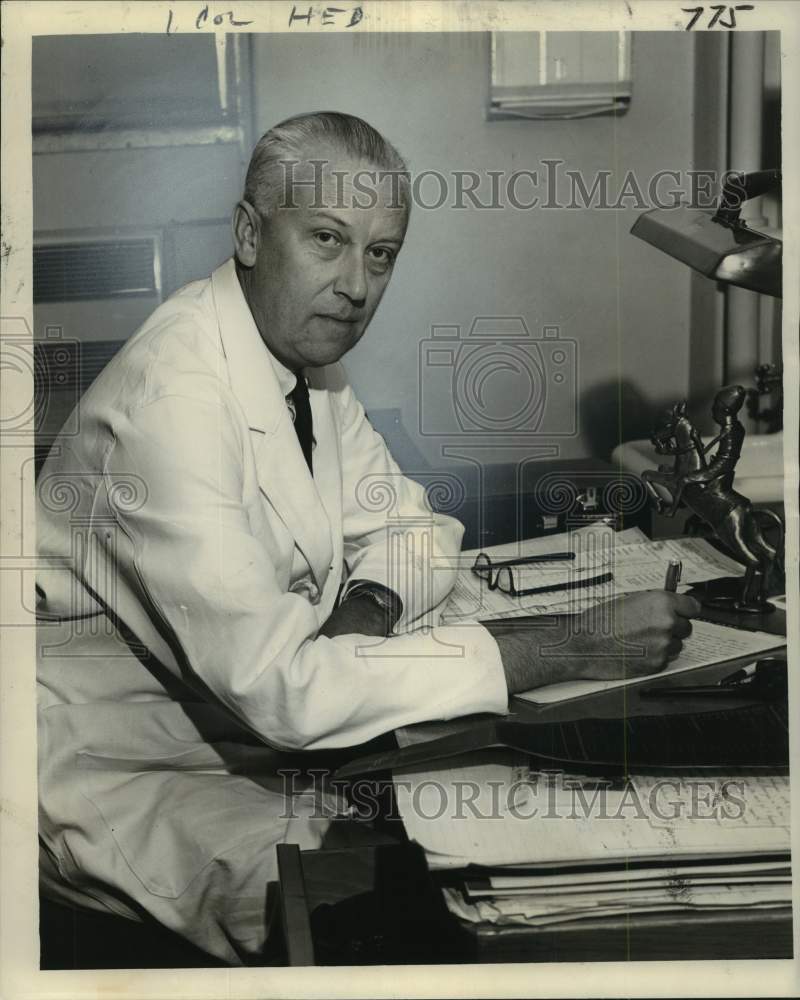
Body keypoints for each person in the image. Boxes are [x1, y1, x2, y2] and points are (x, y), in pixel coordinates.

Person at [35, 111, 700, 964]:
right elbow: (284, 696)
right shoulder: (170, 406)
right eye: (326, 239)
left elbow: (413, 524)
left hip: (246, 729)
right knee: (392, 915)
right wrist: (565, 645)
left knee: (498, 835)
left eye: (379, 254)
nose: (355, 284)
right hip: (117, 769)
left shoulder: (302, 360)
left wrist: (367, 611)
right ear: (248, 233)